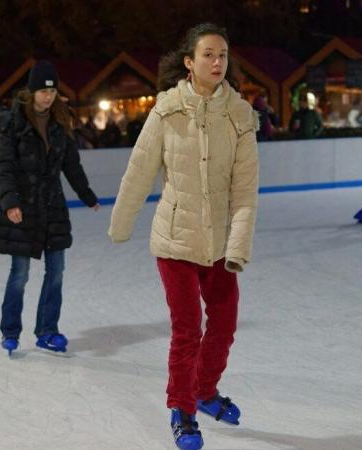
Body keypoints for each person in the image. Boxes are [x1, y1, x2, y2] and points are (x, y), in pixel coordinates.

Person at [108, 23, 259, 450]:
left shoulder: (240, 116)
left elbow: (246, 190)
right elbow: (139, 170)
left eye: (223, 55)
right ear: (189, 62)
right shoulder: (167, 110)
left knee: (225, 324)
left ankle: (204, 391)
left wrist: (238, 247)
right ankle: (182, 409)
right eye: (208, 54)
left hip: (218, 243)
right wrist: (122, 223)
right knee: (187, 328)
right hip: (175, 240)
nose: (217, 62)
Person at [0, 60, 100, 355]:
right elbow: (2, 166)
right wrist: (9, 201)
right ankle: (10, 331)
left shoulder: (61, 122)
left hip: (52, 207)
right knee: (20, 273)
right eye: (42, 91)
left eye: (52, 92)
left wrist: (87, 195)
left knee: (56, 271)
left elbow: (71, 165)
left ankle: (47, 330)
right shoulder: (13, 123)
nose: (48, 97)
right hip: (22, 207)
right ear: (32, 91)